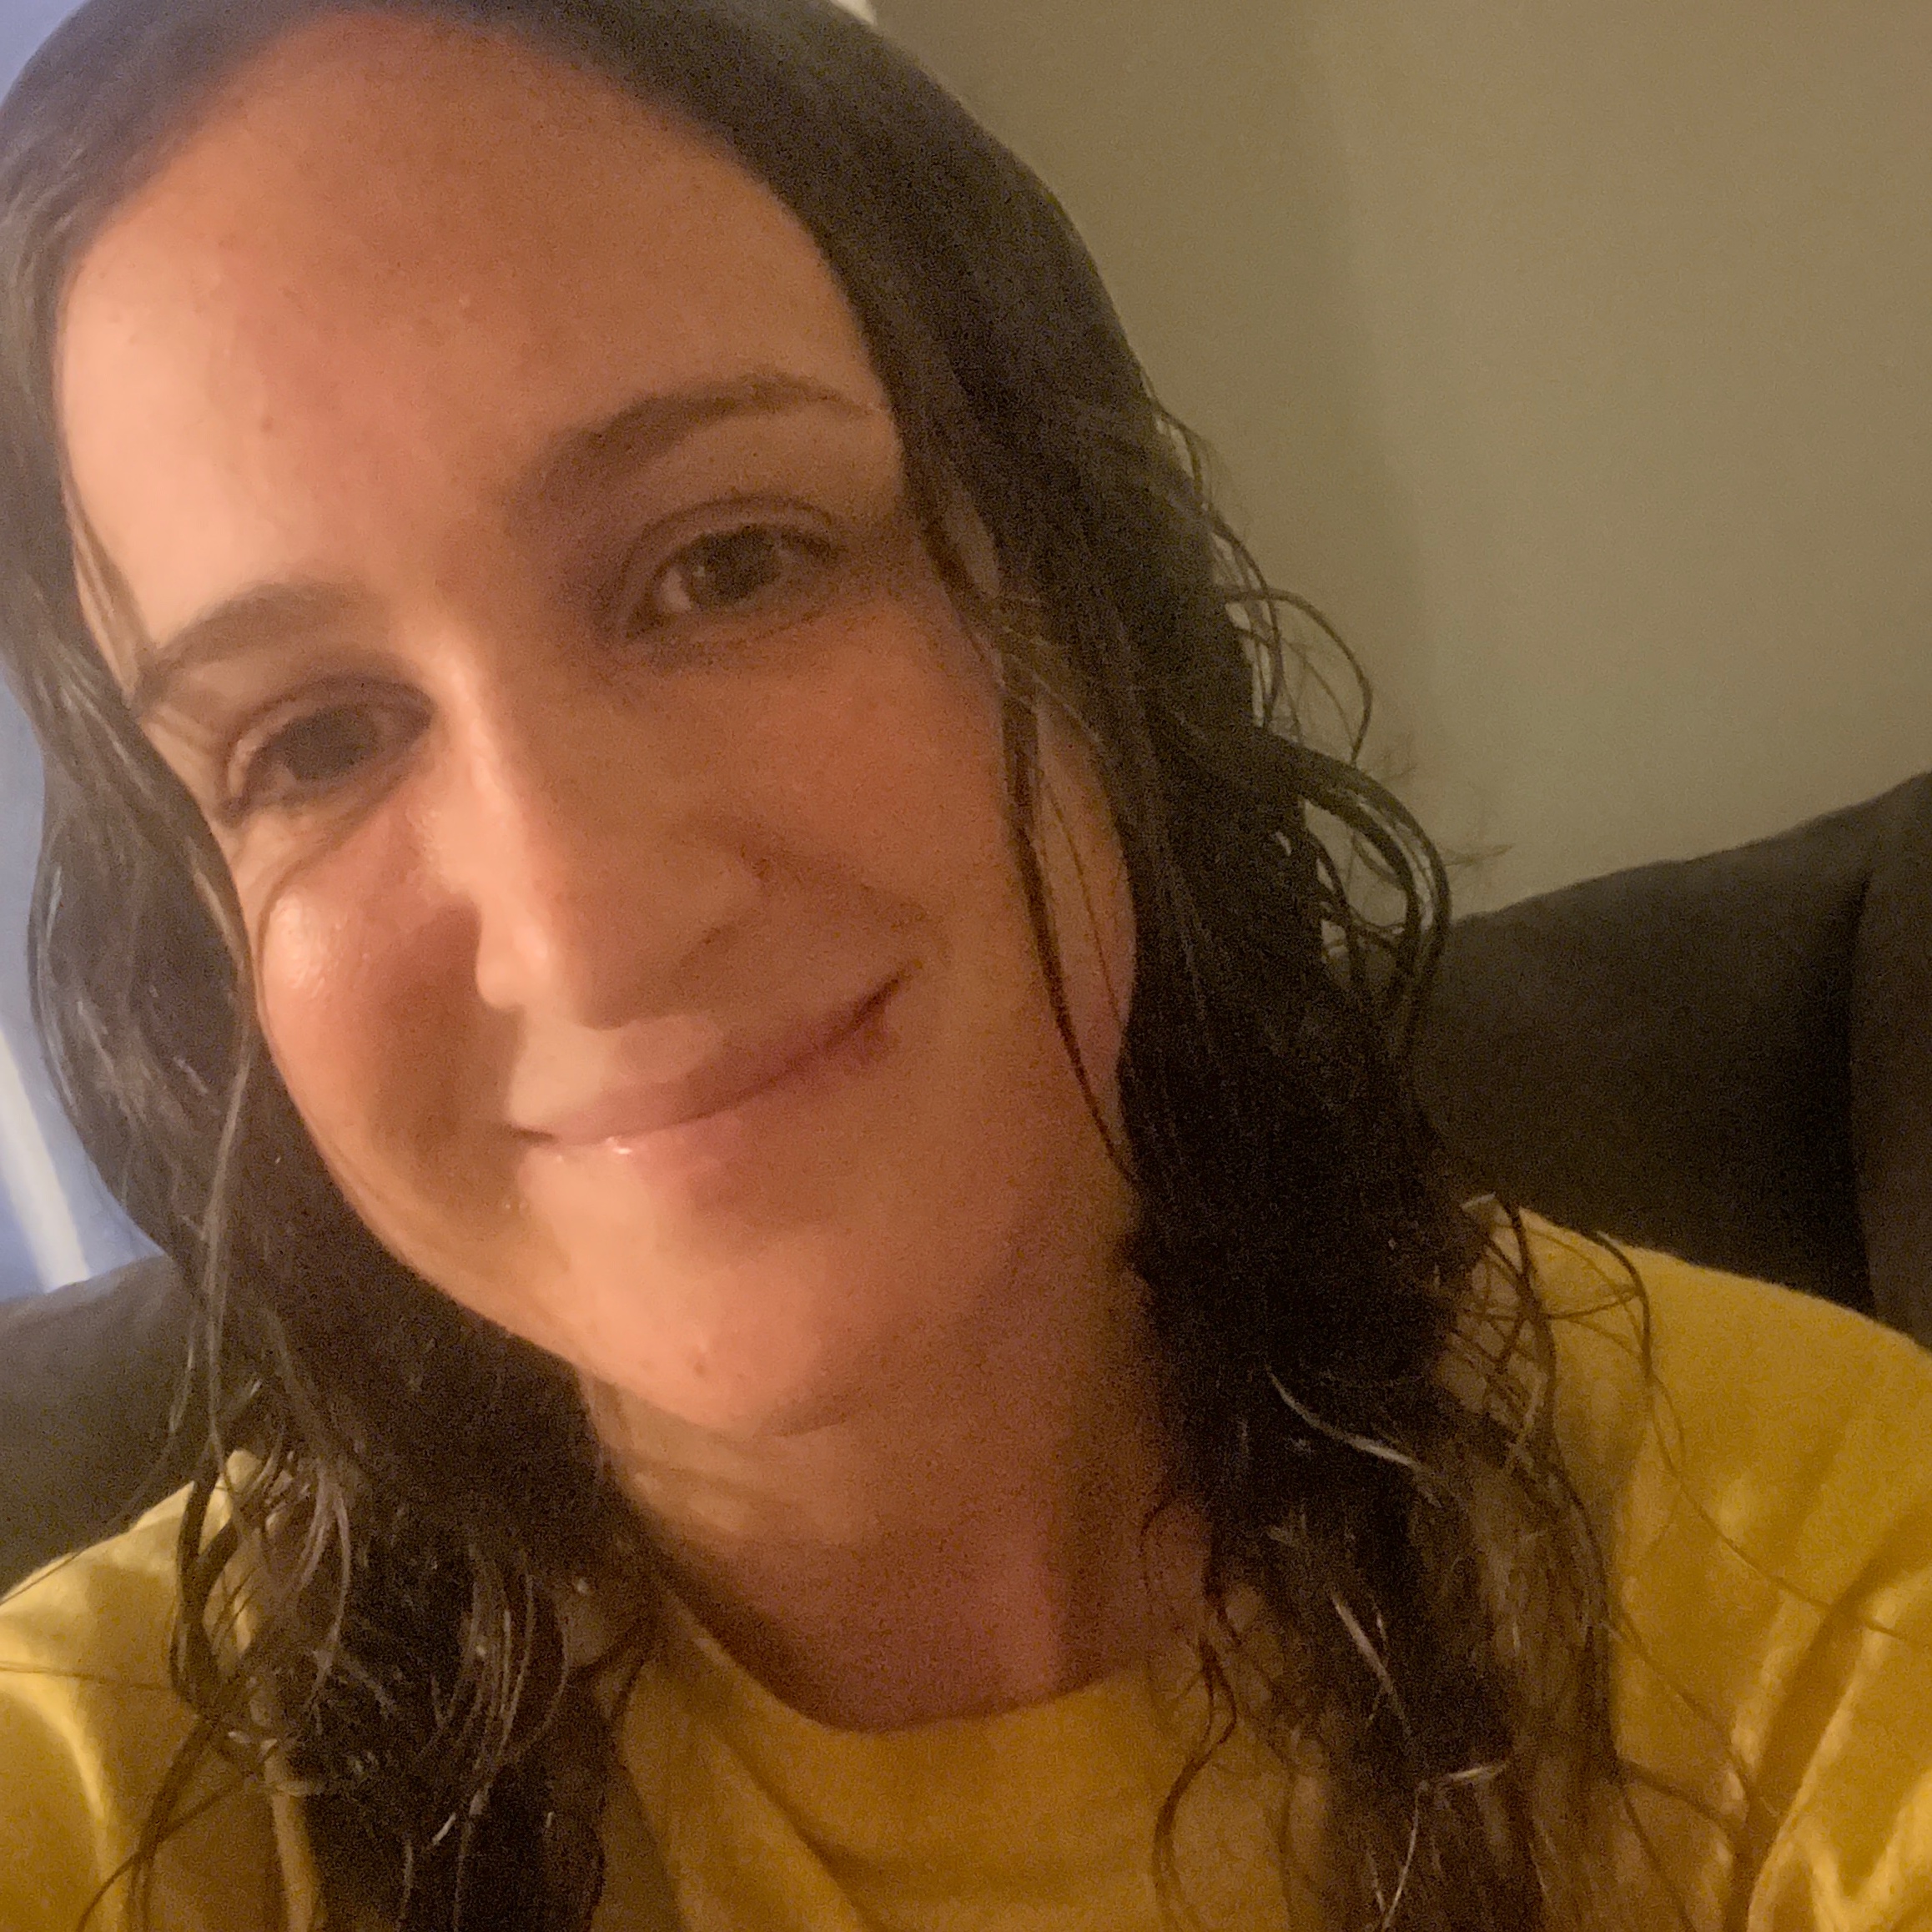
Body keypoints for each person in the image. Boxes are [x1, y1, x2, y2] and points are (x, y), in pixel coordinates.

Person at [0, 3, 1925, 1929]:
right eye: (315, 742)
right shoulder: (103, 1796)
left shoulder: (1810, 1593)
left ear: (1084, 594)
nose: (583, 926)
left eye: (731, 563)